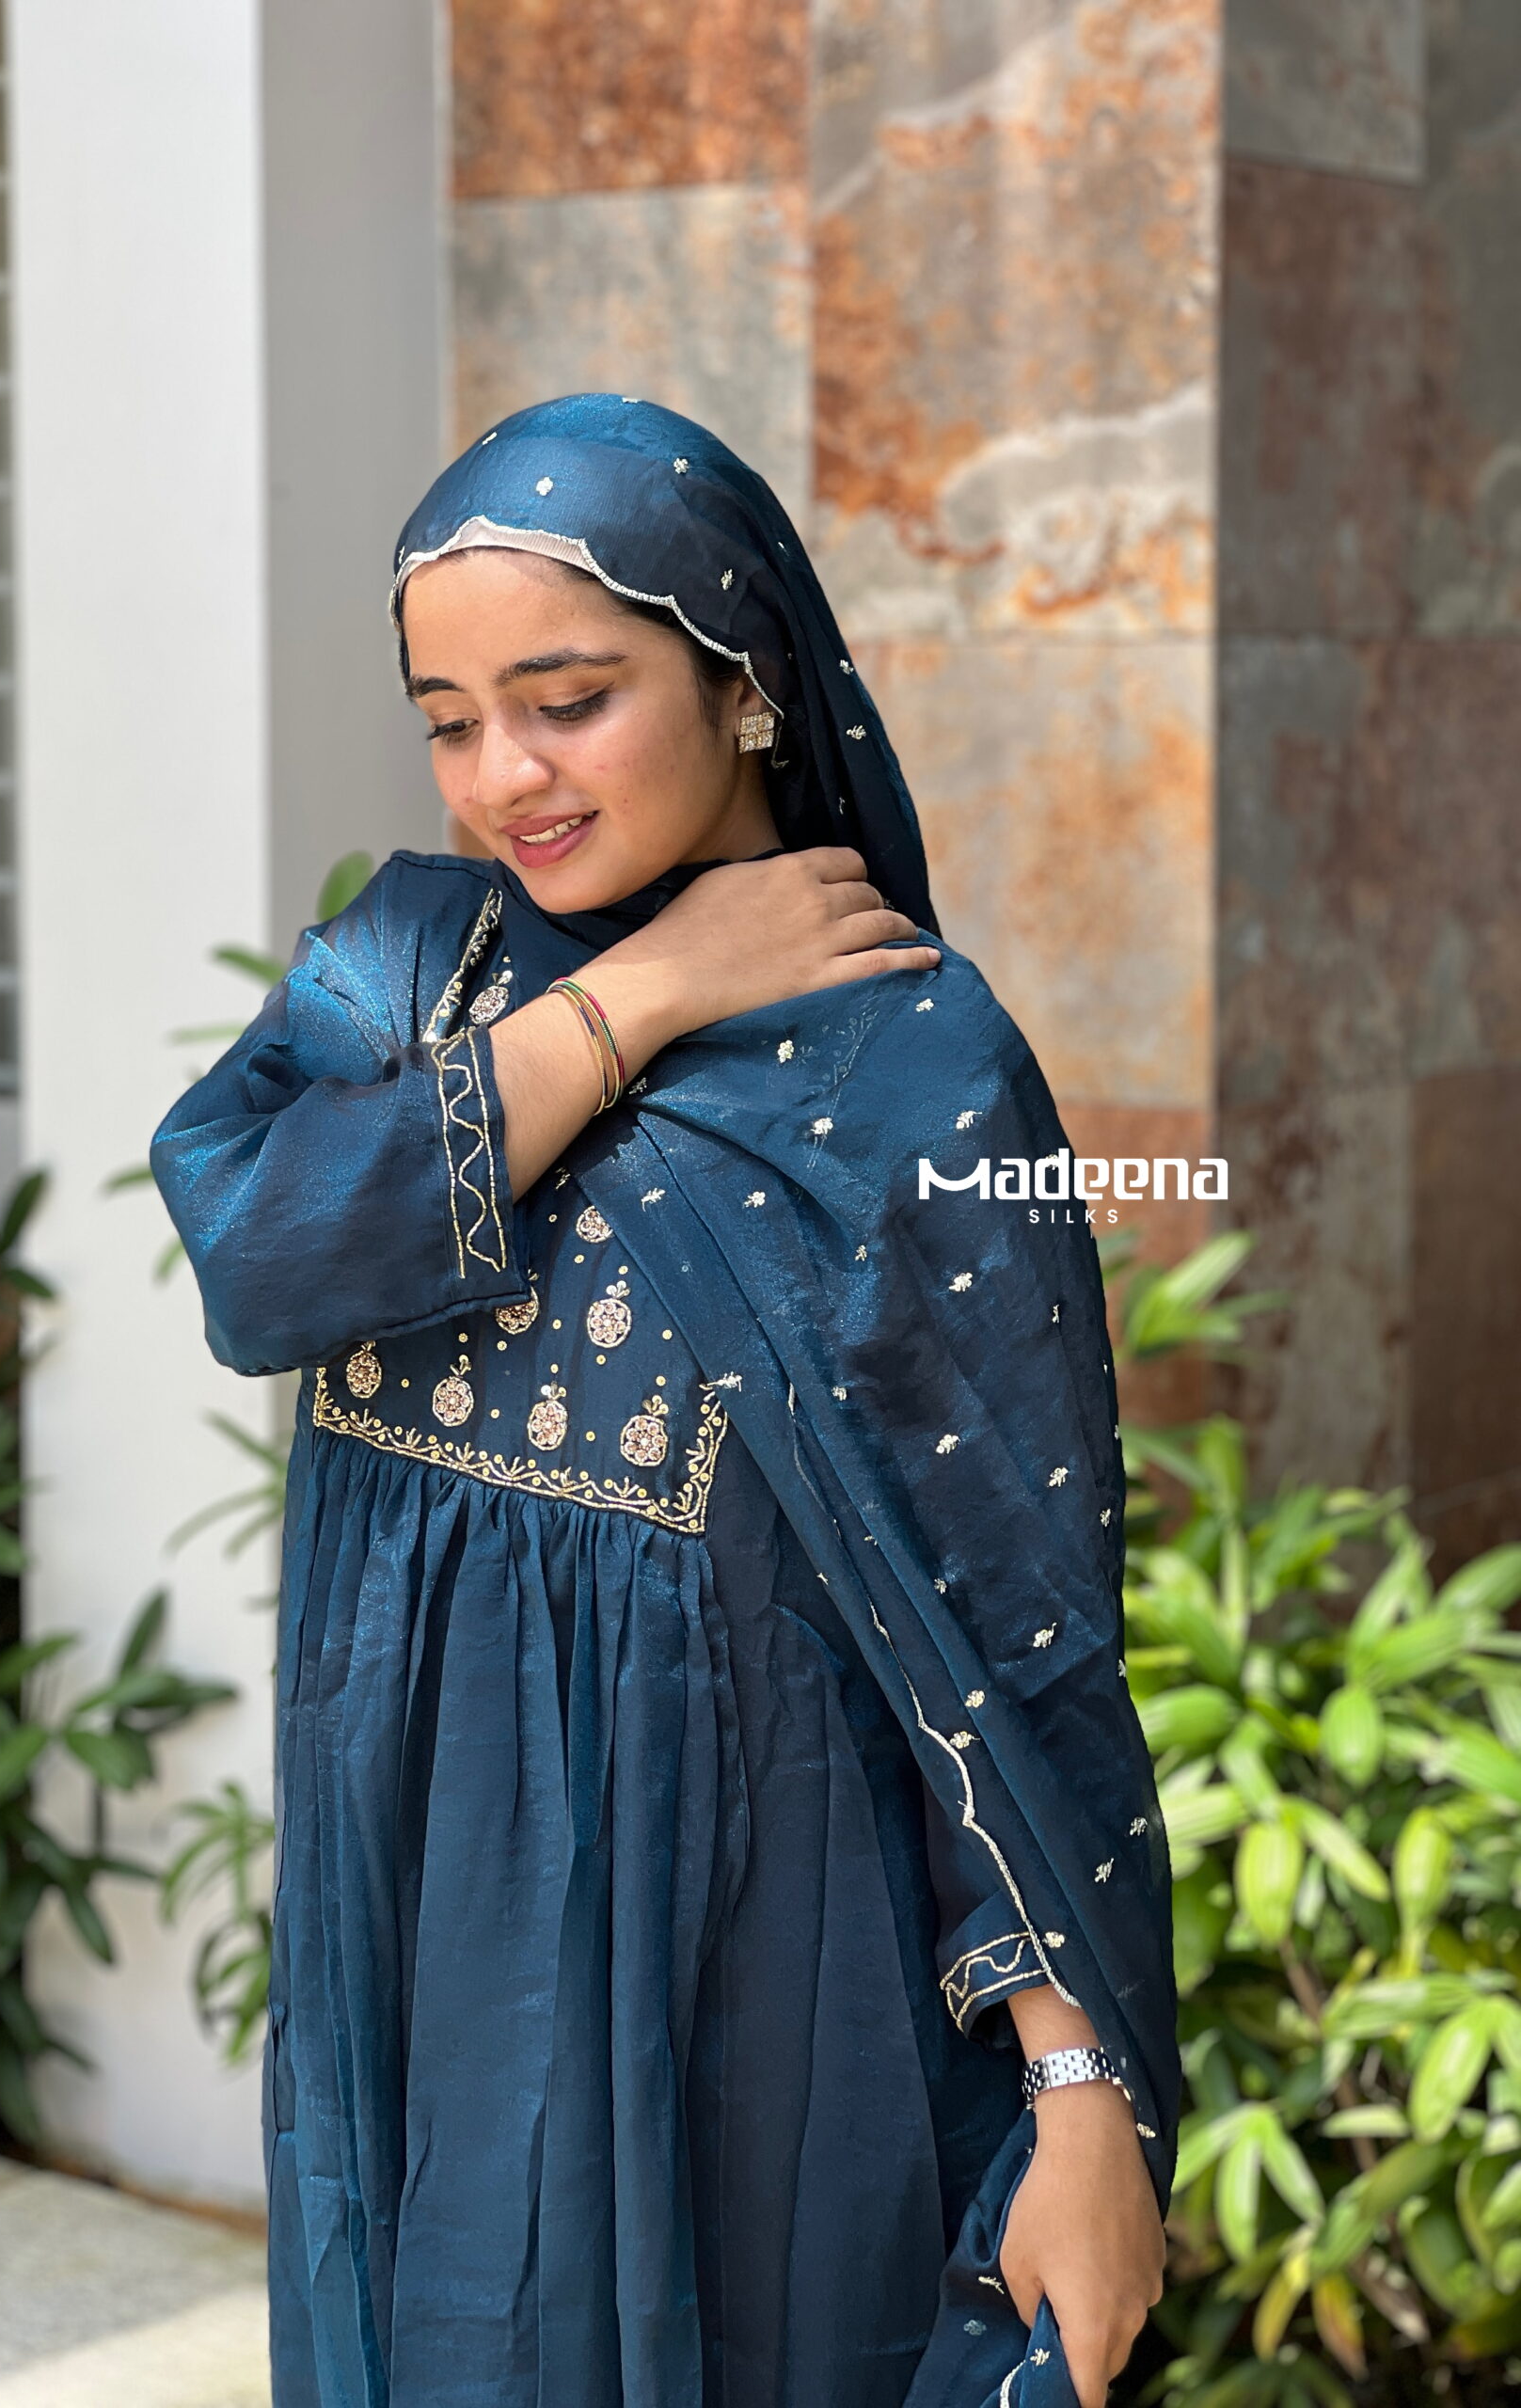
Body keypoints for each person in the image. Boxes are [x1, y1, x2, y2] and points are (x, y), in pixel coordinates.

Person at [153, 395, 1176, 2408]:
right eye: (450, 721)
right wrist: (643, 992)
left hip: (760, 1960)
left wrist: (1079, 2094)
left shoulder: (914, 1060)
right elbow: (262, 1257)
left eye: (569, 701)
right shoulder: (408, 968)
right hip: (419, 1909)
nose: (504, 777)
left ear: (746, 682)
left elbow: (1019, 1618)